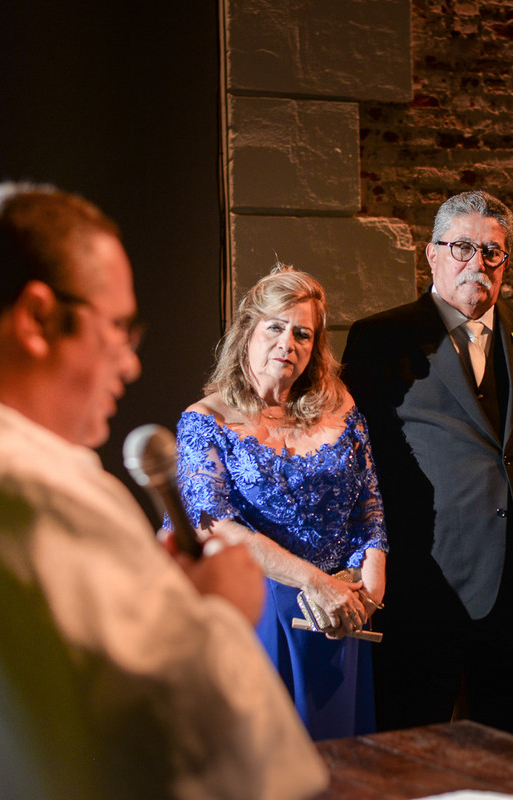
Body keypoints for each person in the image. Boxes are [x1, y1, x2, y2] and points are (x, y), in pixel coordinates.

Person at [0, 183, 327, 800]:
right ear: (38, 317)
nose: (129, 364)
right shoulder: (29, 495)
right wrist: (218, 617)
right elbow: (176, 758)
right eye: (119, 327)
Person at [343, 190, 513, 739]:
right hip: (425, 586)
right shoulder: (380, 337)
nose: (478, 265)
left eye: (493, 253)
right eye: (463, 248)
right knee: (415, 751)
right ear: (432, 254)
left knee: (509, 755)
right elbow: (360, 466)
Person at [172, 265, 388, 741]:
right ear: (248, 331)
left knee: (339, 760)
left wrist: (369, 592)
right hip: (259, 616)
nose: (287, 344)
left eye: (303, 334)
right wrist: (315, 583)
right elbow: (214, 526)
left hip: (343, 618)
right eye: (275, 326)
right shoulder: (204, 421)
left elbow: (369, 505)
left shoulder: (342, 408)